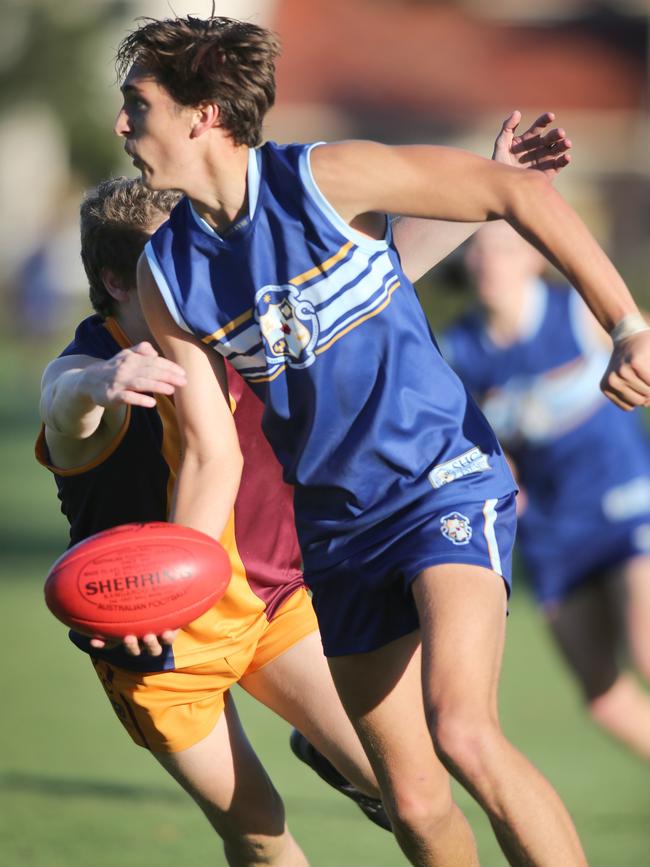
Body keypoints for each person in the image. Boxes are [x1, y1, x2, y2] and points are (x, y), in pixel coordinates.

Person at [112, 13, 650, 867]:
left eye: (137, 103)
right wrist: (172, 590)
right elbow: (213, 451)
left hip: (441, 481)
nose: (122, 124)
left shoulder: (326, 176)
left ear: (202, 114)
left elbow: (513, 192)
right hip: (337, 532)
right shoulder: (164, 275)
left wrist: (624, 323)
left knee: (464, 730)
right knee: (412, 796)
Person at [37, 176, 391, 867]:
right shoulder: (97, 363)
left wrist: (495, 188)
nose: (192, 274)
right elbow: (63, 398)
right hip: (157, 647)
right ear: (115, 280)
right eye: (164, 260)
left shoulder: (233, 329)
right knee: (260, 828)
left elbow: (376, 274)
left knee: (401, 776)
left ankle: (329, 755)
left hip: (270, 605)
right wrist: (97, 386)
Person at [440, 221, 650, 760]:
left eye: (503, 250)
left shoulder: (577, 313)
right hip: (551, 531)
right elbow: (473, 443)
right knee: (603, 696)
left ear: (534, 259)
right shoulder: (458, 349)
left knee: (646, 651)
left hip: (624, 507)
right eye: (478, 252)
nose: (488, 263)